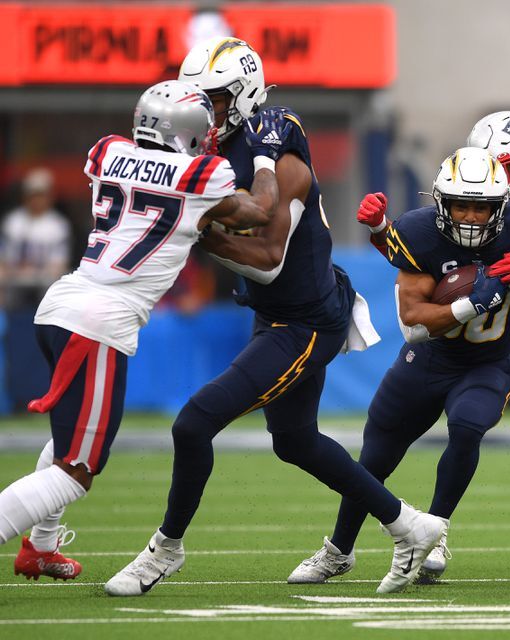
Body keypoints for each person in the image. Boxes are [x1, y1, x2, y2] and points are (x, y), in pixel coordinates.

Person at [105, 38, 445, 597]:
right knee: (295, 440)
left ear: (240, 98)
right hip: (277, 315)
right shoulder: (216, 150)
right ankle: (411, 525)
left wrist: (191, 229)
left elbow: (266, 261)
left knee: (193, 422)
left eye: (211, 100)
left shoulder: (281, 160)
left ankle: (165, 550)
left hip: (307, 321)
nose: (200, 112)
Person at [0, 79, 281, 581]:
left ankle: (40, 547)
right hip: (99, 320)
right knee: (77, 472)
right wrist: (265, 157)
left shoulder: (107, 151)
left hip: (64, 302)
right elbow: (259, 212)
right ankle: (27, 539)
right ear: (190, 131)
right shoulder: (203, 172)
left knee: (69, 439)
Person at [286, 147, 510, 585]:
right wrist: (471, 303)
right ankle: (339, 550)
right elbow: (412, 323)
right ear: (440, 204)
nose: (468, 217)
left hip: (487, 362)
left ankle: (436, 529)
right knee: (374, 456)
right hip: (429, 358)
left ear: (500, 207)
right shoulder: (420, 233)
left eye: (480, 207)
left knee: (466, 425)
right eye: (460, 205)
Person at [0, 168, 72, 308]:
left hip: (44, 279)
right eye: (33, 195)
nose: (37, 200)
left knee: (53, 287)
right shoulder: (13, 221)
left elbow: (59, 264)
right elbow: (3, 258)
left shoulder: (58, 225)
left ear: (49, 196)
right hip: (14, 277)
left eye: (41, 195)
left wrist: (36, 273)